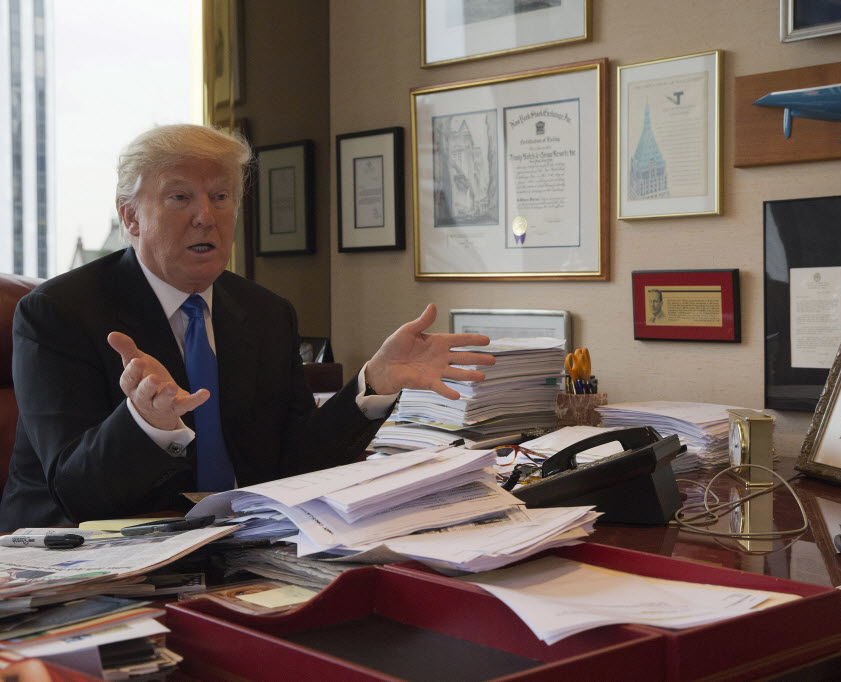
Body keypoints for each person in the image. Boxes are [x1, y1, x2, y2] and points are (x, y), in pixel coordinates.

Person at [0, 124, 494, 531]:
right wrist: (148, 422)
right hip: (89, 556)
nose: (205, 217)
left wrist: (373, 385)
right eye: (180, 198)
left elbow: (296, 460)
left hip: (238, 543)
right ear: (130, 216)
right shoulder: (60, 312)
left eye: (221, 196)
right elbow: (75, 493)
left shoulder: (264, 312)